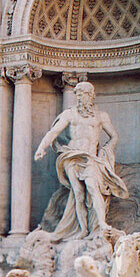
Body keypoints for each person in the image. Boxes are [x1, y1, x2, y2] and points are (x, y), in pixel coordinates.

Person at [34, 81, 128, 240]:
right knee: (78, 193)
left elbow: (114, 136)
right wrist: (41, 148)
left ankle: (102, 224)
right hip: (72, 156)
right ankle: (83, 229)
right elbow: (54, 132)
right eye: (77, 94)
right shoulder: (69, 114)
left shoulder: (101, 116)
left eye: (82, 94)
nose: (79, 97)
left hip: (90, 157)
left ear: (91, 95)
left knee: (92, 187)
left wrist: (106, 151)